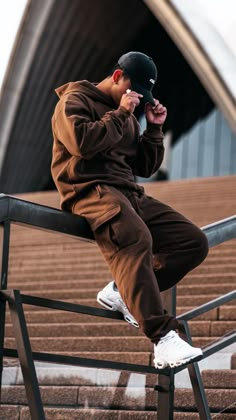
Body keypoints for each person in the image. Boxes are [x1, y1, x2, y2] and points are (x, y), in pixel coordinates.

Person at [51, 51, 208, 369]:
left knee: (192, 241)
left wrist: (153, 130)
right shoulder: (74, 100)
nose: (135, 98)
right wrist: (123, 114)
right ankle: (162, 339)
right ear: (117, 76)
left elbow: (144, 166)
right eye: (132, 90)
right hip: (88, 189)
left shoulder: (123, 110)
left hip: (127, 191)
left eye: (141, 95)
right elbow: (82, 143)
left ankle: (122, 290)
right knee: (134, 237)